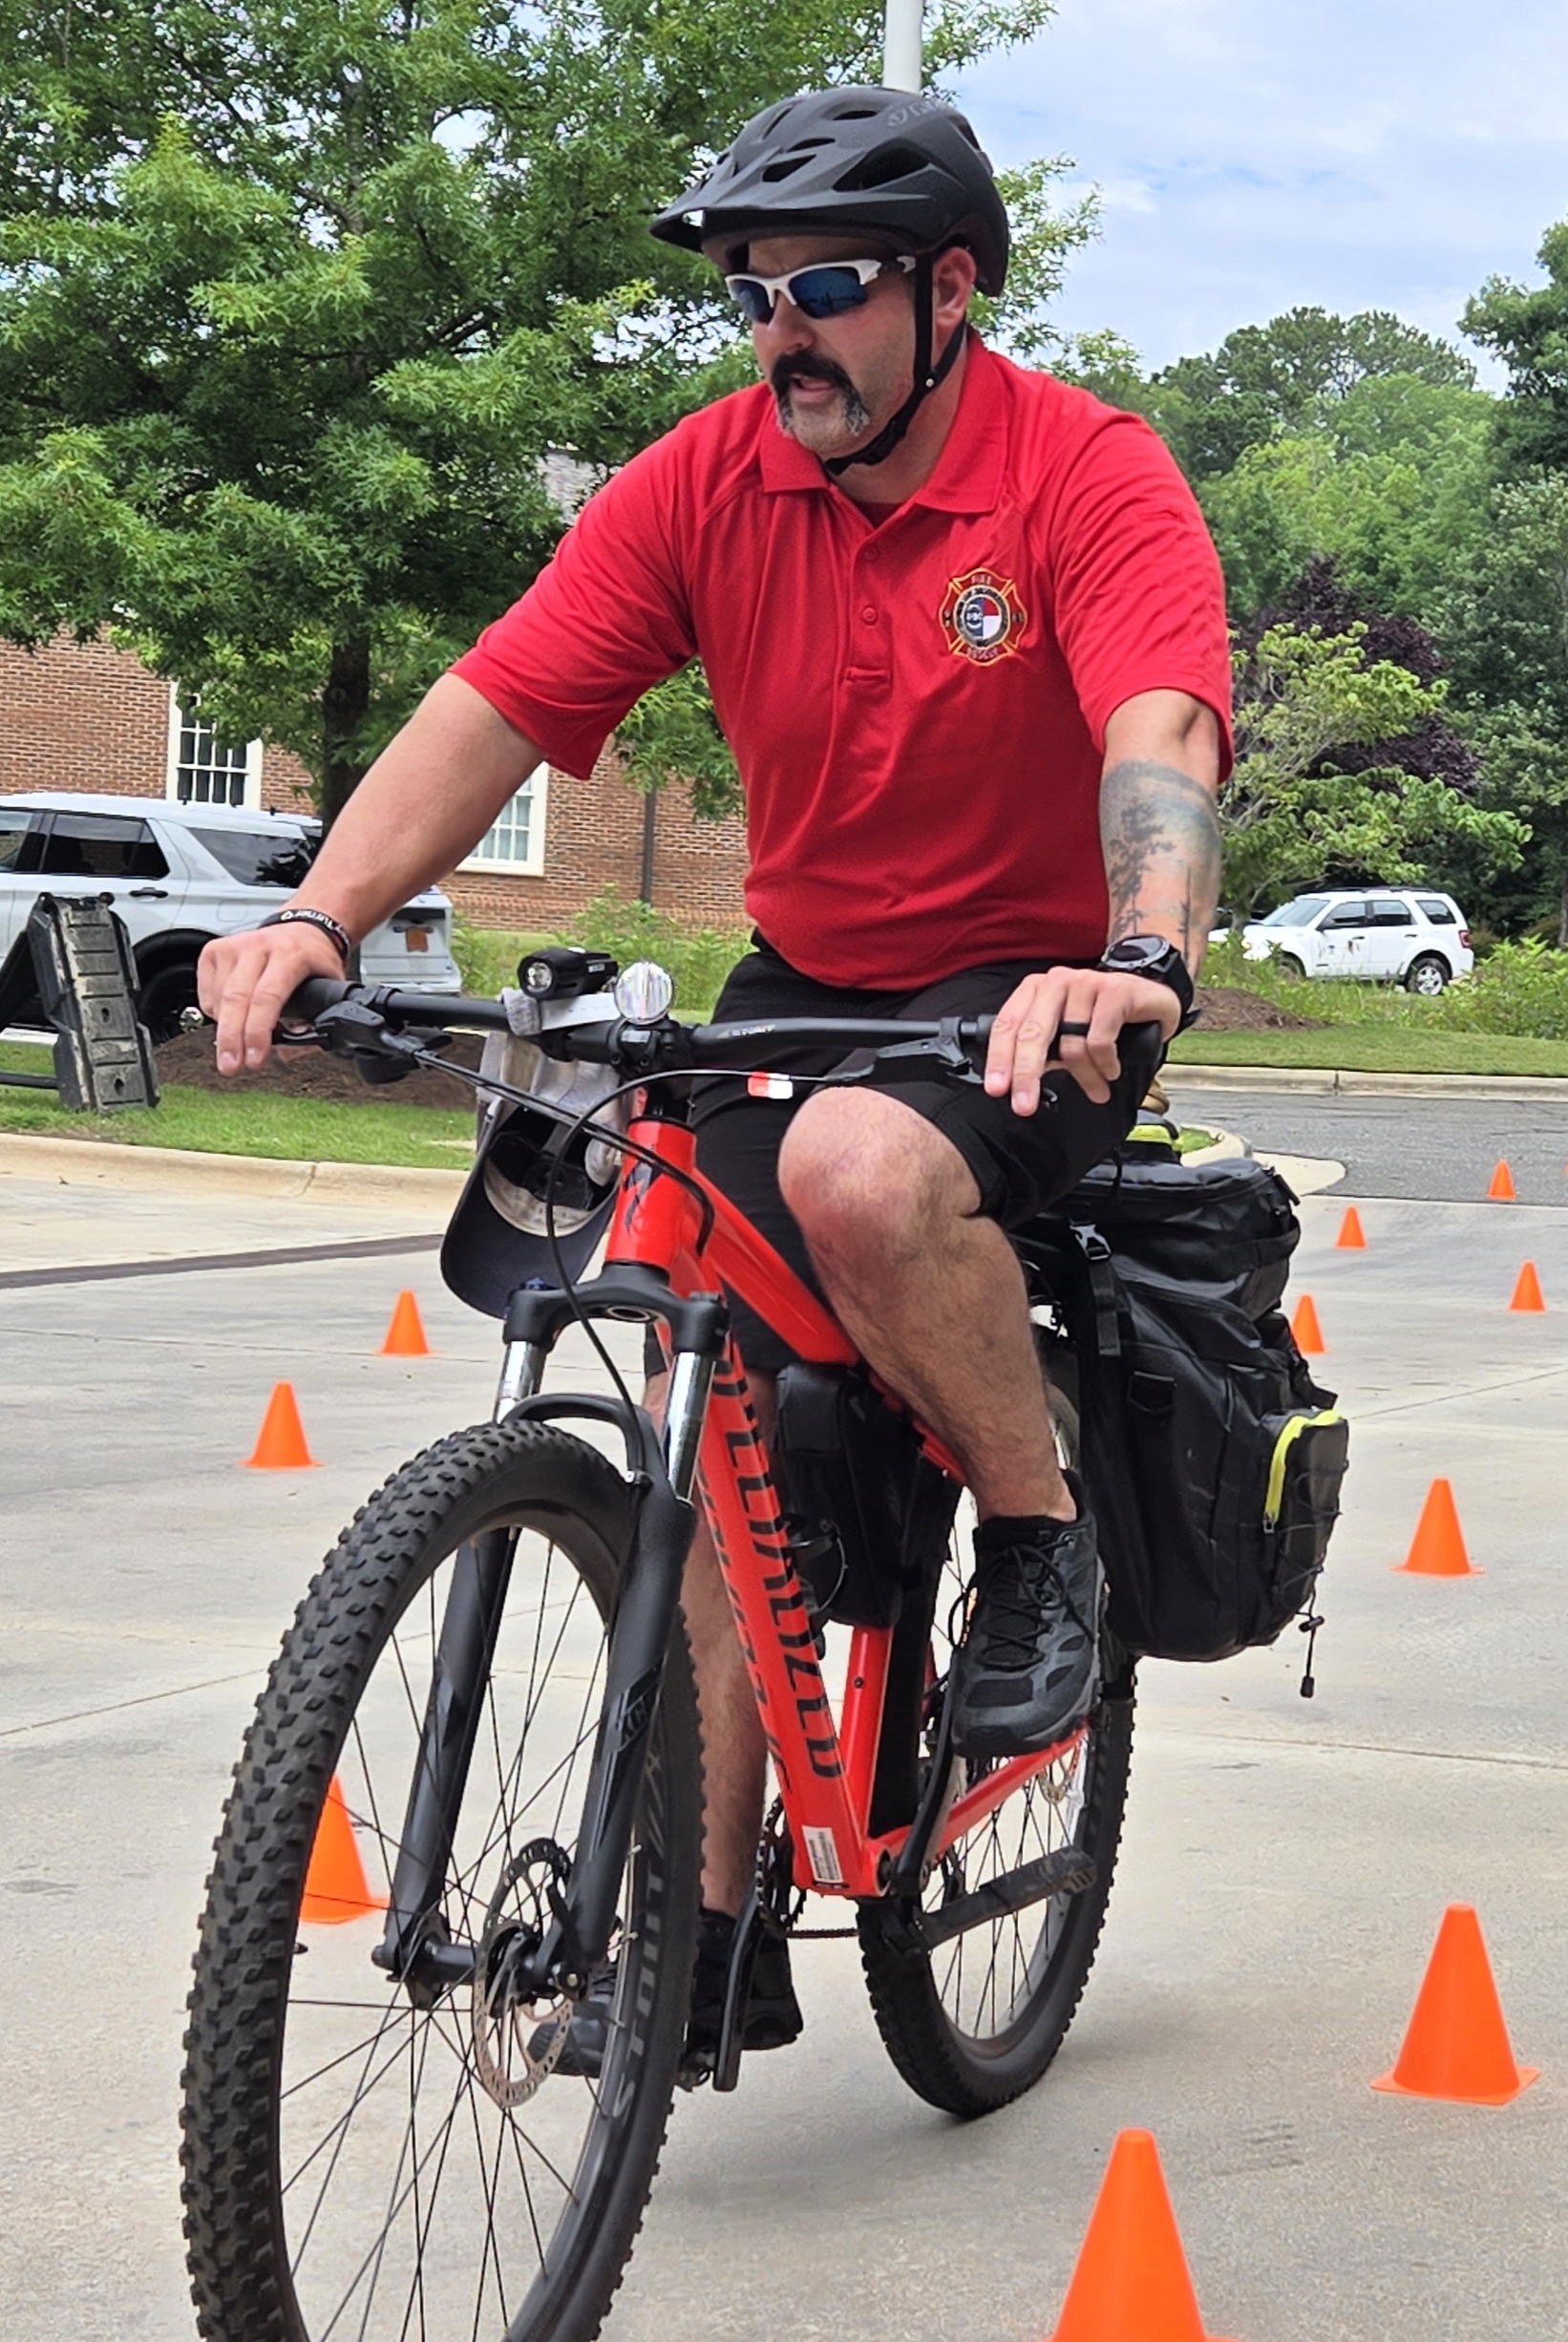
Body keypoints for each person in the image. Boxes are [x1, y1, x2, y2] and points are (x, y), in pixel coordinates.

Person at [195, 86, 1234, 2066]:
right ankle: (706, 1923)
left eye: (821, 289)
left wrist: (1140, 949)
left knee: (856, 1175)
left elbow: (1160, 733)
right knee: (707, 1386)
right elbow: (498, 700)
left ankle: (1038, 1545)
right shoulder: (707, 479)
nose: (777, 336)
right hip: (805, 981)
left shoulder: (1081, 474)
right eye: (751, 296)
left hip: (1036, 996)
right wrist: (320, 912)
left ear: (948, 296)